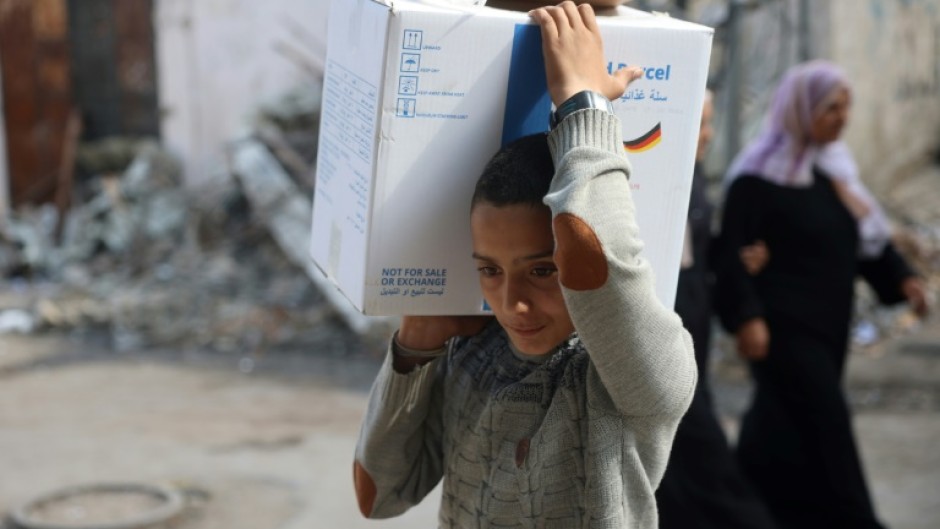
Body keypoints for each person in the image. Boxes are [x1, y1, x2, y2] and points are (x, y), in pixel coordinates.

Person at [352, 2, 697, 527]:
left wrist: (584, 107)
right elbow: (379, 495)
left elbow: (597, 259)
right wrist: (417, 336)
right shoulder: (473, 354)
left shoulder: (630, 378)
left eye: (542, 271)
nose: (511, 302)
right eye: (489, 269)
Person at [713, 60, 929, 529]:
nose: (842, 117)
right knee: (827, 419)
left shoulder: (833, 172)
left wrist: (902, 278)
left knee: (779, 423)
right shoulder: (756, 178)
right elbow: (731, 255)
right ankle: (857, 519)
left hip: (827, 324)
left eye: (846, 107)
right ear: (800, 109)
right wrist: (747, 317)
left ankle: (763, 504)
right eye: (831, 107)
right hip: (780, 328)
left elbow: (864, 240)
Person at [655, 91, 777, 529]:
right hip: (664, 342)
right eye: (700, 123)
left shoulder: (693, 174)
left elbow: (699, 255)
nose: (708, 135)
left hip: (695, 332)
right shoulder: (651, 178)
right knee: (704, 455)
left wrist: (739, 257)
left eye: (709, 123)